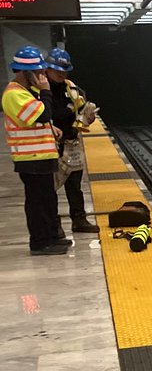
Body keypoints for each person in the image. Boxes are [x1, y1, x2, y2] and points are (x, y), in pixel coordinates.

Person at [2, 46, 71, 255]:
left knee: (48, 199)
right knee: (37, 203)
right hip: (30, 158)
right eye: (39, 72)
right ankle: (40, 242)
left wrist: (52, 129)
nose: (43, 76)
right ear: (26, 72)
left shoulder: (25, 93)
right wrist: (45, 91)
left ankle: (51, 237)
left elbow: (38, 119)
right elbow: (41, 114)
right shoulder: (14, 94)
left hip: (41, 156)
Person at [45, 47, 99, 234]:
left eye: (64, 70)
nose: (61, 74)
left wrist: (88, 117)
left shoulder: (70, 87)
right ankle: (54, 225)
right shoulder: (40, 90)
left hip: (71, 142)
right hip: (49, 145)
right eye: (57, 70)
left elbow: (81, 107)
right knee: (50, 187)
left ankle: (79, 219)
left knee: (75, 184)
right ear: (47, 68)